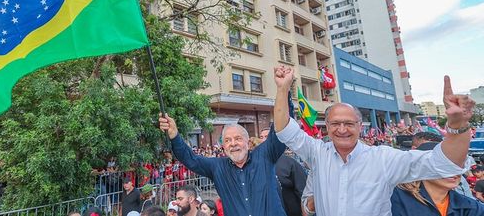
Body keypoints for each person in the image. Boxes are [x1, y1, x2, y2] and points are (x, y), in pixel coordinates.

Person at [274, 65, 474, 216]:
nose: (342, 130)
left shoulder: (384, 158)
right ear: (327, 126)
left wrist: (458, 125)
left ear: (360, 126)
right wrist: (283, 89)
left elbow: (445, 163)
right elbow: (284, 129)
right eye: (335, 124)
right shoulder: (317, 153)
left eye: (349, 124)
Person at [159, 66, 294, 216]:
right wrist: (174, 135)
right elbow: (190, 159)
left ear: (248, 142)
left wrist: (283, 90)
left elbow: (282, 127)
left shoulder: (265, 155)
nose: (233, 143)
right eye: (228, 140)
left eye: (237, 138)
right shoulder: (217, 167)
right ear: (223, 147)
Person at [391, 142, 484, 215]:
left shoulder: (470, 206)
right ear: (421, 166)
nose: (453, 170)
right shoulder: (394, 200)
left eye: (457, 164)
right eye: (442, 165)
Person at [259, 128, 307, 216]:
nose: (263, 140)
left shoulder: (289, 163)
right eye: (261, 137)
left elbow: (303, 191)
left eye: (267, 137)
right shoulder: (256, 164)